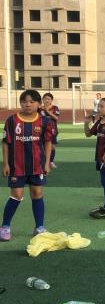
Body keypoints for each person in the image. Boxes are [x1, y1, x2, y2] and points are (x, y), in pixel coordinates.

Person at [0, 90, 54, 240]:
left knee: (37, 194)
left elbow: (47, 143)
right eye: (24, 101)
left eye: (31, 101)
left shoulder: (44, 121)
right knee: (16, 196)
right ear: (20, 103)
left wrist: (47, 163)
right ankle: (5, 227)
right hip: (17, 166)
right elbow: (5, 143)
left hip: (37, 166)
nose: (27, 104)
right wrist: (6, 163)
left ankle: (39, 227)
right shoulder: (12, 120)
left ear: (39, 104)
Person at [40, 93, 60, 168]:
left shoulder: (55, 108)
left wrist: (47, 111)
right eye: (45, 99)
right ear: (42, 100)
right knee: (42, 147)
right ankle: (43, 162)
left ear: (51, 100)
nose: (47, 100)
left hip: (53, 130)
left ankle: (51, 162)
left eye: (49, 99)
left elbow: (56, 118)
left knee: (52, 147)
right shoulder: (39, 109)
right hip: (42, 130)